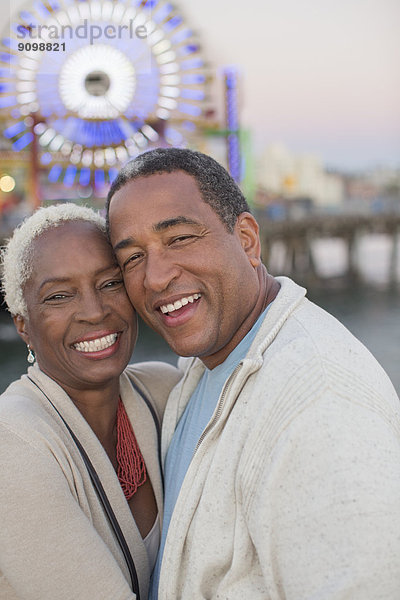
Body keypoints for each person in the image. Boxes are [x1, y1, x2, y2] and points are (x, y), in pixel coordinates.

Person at [106, 147, 400, 600]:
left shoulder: (318, 400)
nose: (156, 277)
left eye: (180, 238)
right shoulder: (206, 367)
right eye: (132, 259)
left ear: (246, 239)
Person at [0, 203, 181, 600]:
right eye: (59, 296)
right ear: (23, 323)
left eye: (111, 283)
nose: (94, 311)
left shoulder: (166, 391)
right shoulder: (12, 444)